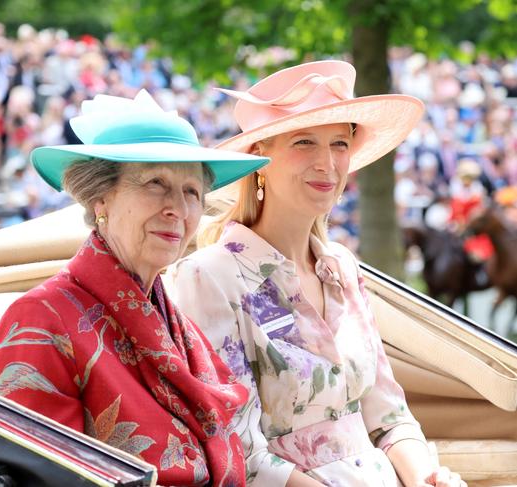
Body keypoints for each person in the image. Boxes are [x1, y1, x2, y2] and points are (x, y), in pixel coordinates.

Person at [168, 61, 466, 486]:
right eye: (304, 142)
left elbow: (389, 416)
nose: (327, 163)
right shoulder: (210, 275)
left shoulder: (342, 266)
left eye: (340, 144)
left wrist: (427, 476)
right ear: (259, 158)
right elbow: (238, 449)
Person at [0, 90, 269, 486]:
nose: (178, 209)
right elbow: (41, 477)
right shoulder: (42, 320)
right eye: (155, 183)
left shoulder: (182, 329)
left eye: (191, 192)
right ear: (101, 198)